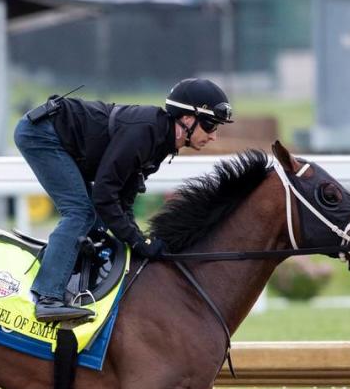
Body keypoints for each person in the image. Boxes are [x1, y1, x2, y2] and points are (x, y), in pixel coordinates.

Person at [14, 78, 233, 322]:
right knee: (81, 213)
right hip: (42, 134)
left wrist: (141, 241)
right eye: (211, 125)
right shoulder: (145, 133)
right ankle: (48, 297)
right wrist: (139, 243)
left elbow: (122, 200)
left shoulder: (161, 143)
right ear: (188, 119)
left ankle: (67, 276)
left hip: (61, 136)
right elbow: (105, 196)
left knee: (97, 221)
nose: (214, 136)